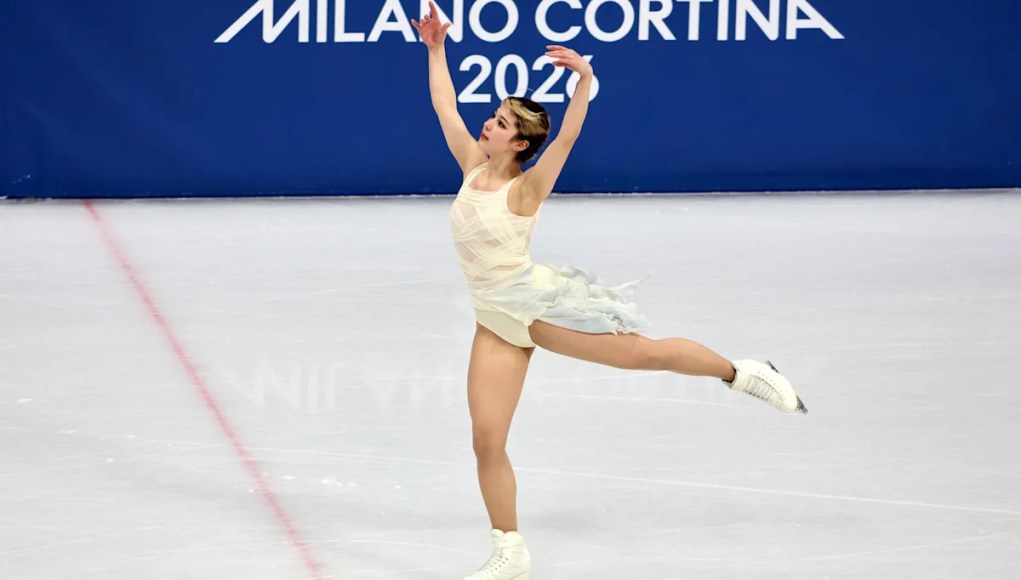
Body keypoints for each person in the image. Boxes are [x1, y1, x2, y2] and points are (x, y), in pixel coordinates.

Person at [412, 3, 806, 578]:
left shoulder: (527, 189)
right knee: (486, 438)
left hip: (536, 307)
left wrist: (586, 83)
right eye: (494, 117)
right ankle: (510, 548)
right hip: (493, 319)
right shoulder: (472, 164)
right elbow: (443, 105)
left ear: (520, 144)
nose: (488, 124)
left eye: (500, 123)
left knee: (642, 354)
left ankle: (743, 372)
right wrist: (436, 49)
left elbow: (567, 139)